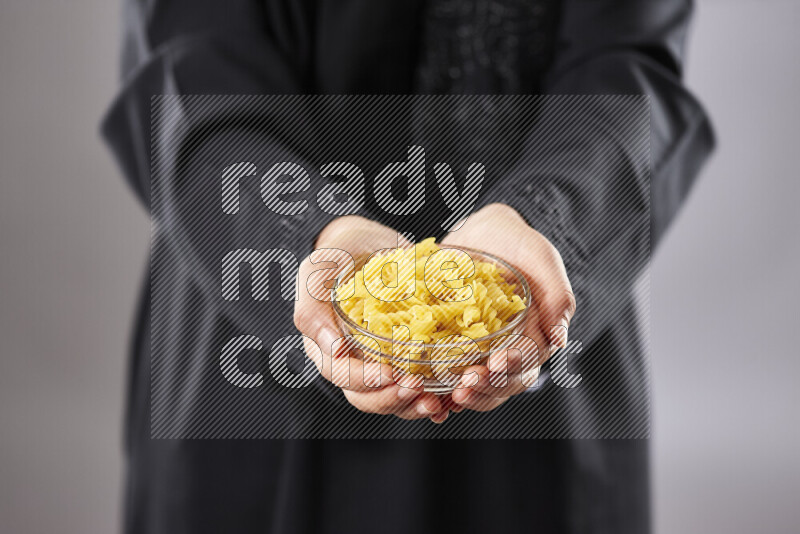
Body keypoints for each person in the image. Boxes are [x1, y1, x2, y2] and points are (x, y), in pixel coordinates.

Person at [102, 1, 713, 532]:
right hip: (252, 331)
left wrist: (549, 220)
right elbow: (191, 62)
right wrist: (307, 234)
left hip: (532, 336)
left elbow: (628, 69)